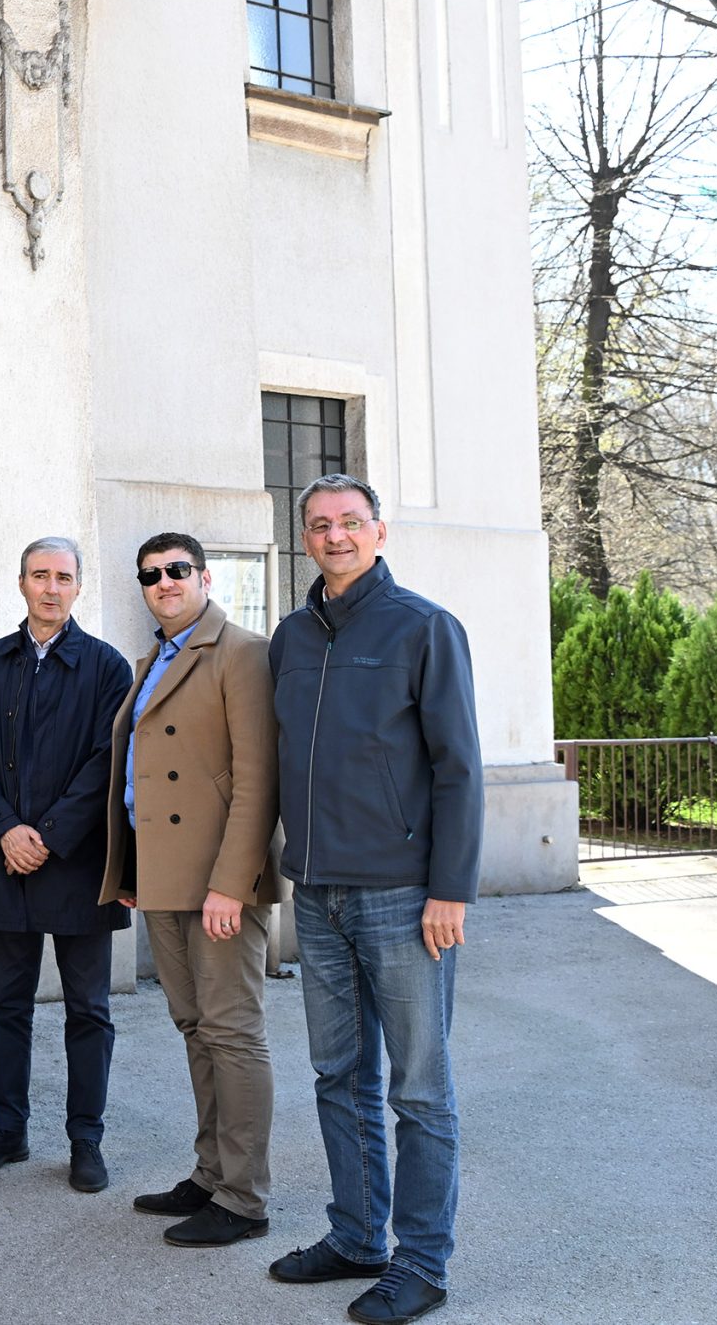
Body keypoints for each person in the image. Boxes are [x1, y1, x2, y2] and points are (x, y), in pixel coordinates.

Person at [265, 475, 482, 1325]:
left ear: (379, 531)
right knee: (338, 1075)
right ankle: (357, 1236)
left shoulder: (424, 627)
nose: (336, 535)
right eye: (320, 524)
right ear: (306, 538)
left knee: (419, 1088)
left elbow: (458, 768)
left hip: (403, 895)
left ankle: (421, 1262)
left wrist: (449, 889)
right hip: (317, 892)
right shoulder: (291, 638)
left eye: (351, 522)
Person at [99, 533, 284, 1246]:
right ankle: (211, 1175)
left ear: (206, 577)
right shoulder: (154, 659)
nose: (164, 582)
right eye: (150, 575)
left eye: (177, 570)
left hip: (218, 882)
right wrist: (133, 871)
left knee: (232, 1032)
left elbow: (257, 779)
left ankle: (243, 1197)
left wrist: (232, 884)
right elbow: (140, 774)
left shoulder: (241, 651)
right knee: (195, 1026)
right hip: (165, 875)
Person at [0, 536, 132, 1193]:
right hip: (6, 857)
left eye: (63, 576)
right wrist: (6, 829)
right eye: (39, 575)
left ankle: (86, 1139)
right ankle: (7, 1128)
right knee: (6, 1002)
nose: (51, 587)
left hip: (78, 860)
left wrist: (46, 836)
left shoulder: (107, 666)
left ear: (78, 586)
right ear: (21, 582)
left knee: (88, 1008)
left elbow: (106, 761)